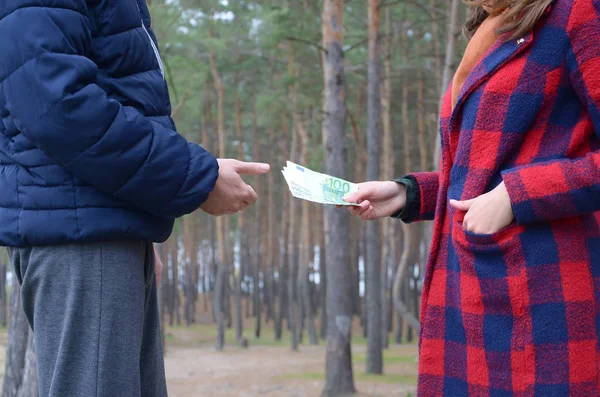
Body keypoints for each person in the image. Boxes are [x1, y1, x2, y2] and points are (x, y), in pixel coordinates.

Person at [0, 1, 269, 396]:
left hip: (101, 234)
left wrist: (135, 218)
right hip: (84, 243)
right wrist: (199, 178)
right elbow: (59, 107)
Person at [345, 0, 600, 395]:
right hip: (466, 298)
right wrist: (408, 194)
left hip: (545, 301)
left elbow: (505, 187)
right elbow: (482, 170)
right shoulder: (493, 26)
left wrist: (517, 196)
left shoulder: (578, 13)